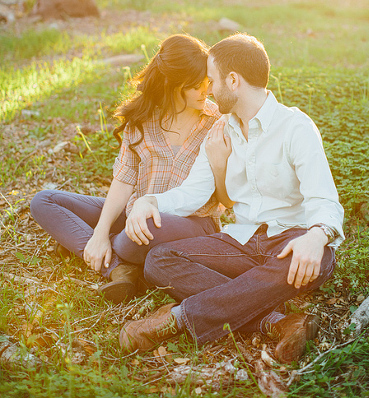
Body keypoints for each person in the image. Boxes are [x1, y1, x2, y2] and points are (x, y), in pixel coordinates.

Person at [117, 33, 345, 364]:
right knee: (159, 261)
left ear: (233, 81)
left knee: (321, 258)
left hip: (290, 241)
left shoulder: (296, 127)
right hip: (242, 242)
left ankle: (178, 318)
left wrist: (317, 235)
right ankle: (277, 321)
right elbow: (193, 191)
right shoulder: (221, 130)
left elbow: (324, 199)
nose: (207, 88)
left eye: (212, 80)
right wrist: (150, 201)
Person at [30, 34, 226, 303]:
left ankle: (102, 248)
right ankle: (119, 268)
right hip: (136, 215)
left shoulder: (218, 122)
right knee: (45, 201)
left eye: (207, 82)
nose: (206, 91)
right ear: (172, 83)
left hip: (192, 223)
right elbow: (124, 182)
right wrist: (99, 234)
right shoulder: (142, 120)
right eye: (196, 85)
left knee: (137, 234)